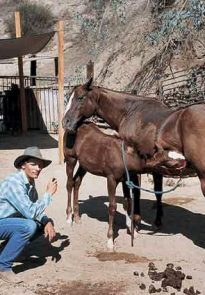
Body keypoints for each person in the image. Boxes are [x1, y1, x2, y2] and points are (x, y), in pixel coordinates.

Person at [0, 146, 58, 284]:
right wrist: (48, 194)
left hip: (7, 222)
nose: (38, 168)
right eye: (33, 164)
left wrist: (47, 221)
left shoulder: (30, 183)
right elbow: (31, 212)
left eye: (40, 165)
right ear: (23, 165)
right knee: (28, 226)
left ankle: (4, 252)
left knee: (40, 224)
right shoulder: (14, 182)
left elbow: (35, 209)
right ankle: (3, 266)